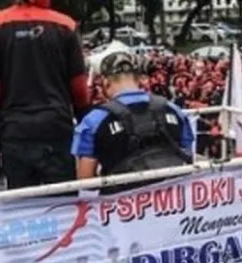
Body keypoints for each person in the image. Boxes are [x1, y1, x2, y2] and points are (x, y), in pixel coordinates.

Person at [0, 0, 91, 189]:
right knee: (63, 203)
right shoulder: (65, 25)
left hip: (15, 132)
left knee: (23, 205)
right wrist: (86, 125)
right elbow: (80, 88)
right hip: (57, 128)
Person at [71, 50, 194, 180]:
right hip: (171, 189)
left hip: (123, 191)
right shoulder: (173, 110)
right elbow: (189, 157)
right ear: (139, 79)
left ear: (105, 83)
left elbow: (85, 178)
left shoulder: (94, 120)